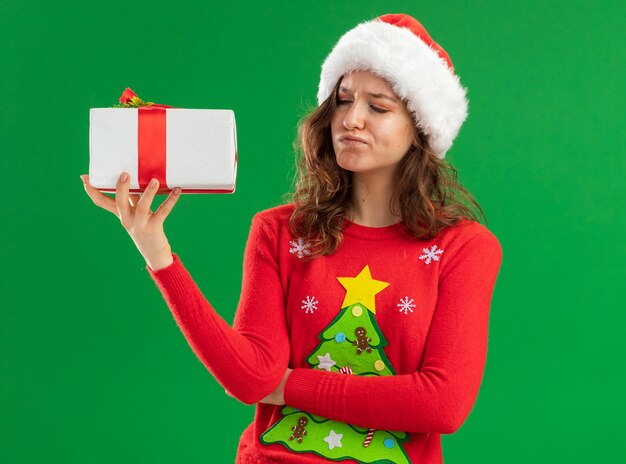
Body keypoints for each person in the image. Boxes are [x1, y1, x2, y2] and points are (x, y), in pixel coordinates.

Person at [80, 13, 503, 464]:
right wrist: (158, 254)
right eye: (342, 100)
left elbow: (441, 404)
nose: (351, 119)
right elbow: (249, 378)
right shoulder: (280, 231)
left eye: (378, 107)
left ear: (420, 127)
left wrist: (289, 386)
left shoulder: (464, 248)